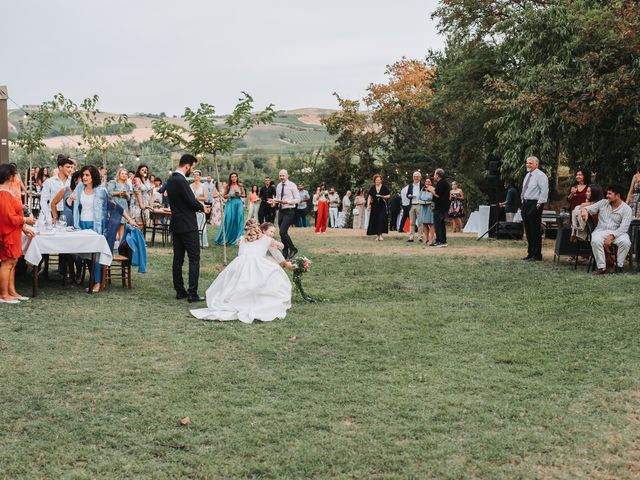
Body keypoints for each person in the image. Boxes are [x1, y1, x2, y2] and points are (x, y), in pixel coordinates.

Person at [190, 221, 294, 323]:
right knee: (274, 273)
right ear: (260, 230)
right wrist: (274, 242)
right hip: (256, 264)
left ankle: (237, 300)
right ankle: (256, 300)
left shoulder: (241, 239)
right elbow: (281, 246)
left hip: (239, 264)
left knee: (236, 282)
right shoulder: (267, 239)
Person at [72, 165, 137, 293]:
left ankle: (98, 282)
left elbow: (116, 207)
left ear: (93, 177)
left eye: (87, 175)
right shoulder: (79, 188)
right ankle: (94, 279)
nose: (84, 177)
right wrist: (70, 199)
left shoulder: (101, 191)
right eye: (83, 175)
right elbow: (72, 203)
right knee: (85, 255)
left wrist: (129, 219)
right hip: (81, 225)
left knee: (96, 255)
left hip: (96, 226)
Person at [165, 154, 210, 302]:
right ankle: (192, 293)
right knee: (194, 258)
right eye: (193, 167)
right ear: (187, 165)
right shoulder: (181, 180)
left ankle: (180, 291)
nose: (193, 170)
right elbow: (191, 201)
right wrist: (202, 207)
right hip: (188, 225)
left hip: (176, 224)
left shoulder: (171, 179)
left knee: (177, 259)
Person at [0, 163, 36, 304]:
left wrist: (23, 227)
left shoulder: (8, 192)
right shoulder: (3, 194)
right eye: (15, 174)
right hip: (7, 233)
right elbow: (8, 217)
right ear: (10, 177)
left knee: (13, 262)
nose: (17, 177)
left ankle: (12, 291)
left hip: (14, 231)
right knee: (7, 263)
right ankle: (4, 294)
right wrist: (26, 219)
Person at [582, 184, 633, 275]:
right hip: (601, 230)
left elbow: (624, 227)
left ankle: (618, 266)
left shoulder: (627, 209)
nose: (607, 196)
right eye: (607, 194)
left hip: (618, 232)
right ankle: (601, 267)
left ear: (617, 195)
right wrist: (585, 211)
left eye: (609, 194)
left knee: (626, 242)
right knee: (595, 240)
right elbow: (587, 208)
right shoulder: (603, 202)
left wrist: (612, 236)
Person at [520, 157, 549, 261]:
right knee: (528, 229)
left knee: (535, 229)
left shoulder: (541, 175)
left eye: (531, 163)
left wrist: (539, 205)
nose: (528, 165)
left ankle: (537, 254)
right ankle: (530, 252)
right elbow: (525, 189)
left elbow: (544, 191)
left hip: (535, 204)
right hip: (526, 203)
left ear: (536, 164)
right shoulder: (527, 175)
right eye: (527, 163)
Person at [269, 169, 300, 258]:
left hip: (289, 210)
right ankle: (285, 250)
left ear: (287, 176)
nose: (281, 177)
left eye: (283, 175)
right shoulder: (278, 185)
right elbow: (278, 198)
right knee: (282, 232)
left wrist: (288, 202)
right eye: (280, 176)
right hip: (281, 211)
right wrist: (273, 201)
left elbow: (298, 199)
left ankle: (293, 249)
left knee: (283, 231)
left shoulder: (292, 185)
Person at [40, 154, 73, 222]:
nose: (70, 169)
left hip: (68, 213)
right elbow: (43, 200)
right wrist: (48, 216)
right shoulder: (49, 182)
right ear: (60, 167)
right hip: (53, 213)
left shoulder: (72, 182)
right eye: (68, 167)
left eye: (71, 167)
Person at [215, 172, 245, 245]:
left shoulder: (240, 185)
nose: (234, 178)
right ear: (230, 178)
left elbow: (244, 195)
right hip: (230, 204)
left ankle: (237, 238)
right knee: (228, 220)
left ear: (237, 178)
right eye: (232, 177)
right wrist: (231, 195)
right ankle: (226, 238)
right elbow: (224, 196)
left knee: (238, 220)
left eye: (235, 176)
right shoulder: (228, 186)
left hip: (238, 204)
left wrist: (239, 195)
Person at [107, 168, 133, 240]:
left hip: (124, 206)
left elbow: (128, 198)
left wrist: (125, 194)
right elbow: (109, 193)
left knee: (122, 224)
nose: (124, 175)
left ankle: (120, 243)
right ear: (119, 174)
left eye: (125, 174)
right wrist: (119, 193)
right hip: (115, 205)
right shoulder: (113, 182)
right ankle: (111, 241)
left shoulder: (127, 186)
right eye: (122, 173)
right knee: (114, 224)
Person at [366, 174, 391, 241]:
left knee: (381, 219)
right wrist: (368, 205)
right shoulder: (372, 188)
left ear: (381, 180)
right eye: (376, 180)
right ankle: (377, 235)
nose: (378, 181)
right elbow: (369, 197)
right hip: (374, 206)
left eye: (379, 180)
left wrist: (382, 196)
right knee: (375, 220)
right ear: (374, 181)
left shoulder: (384, 187)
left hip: (382, 205)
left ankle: (381, 235)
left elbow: (389, 195)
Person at [432, 168, 451, 247]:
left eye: (434, 174)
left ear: (437, 175)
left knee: (438, 224)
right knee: (441, 224)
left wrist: (431, 190)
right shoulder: (444, 183)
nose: (434, 176)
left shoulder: (441, 183)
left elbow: (437, 195)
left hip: (440, 207)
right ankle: (443, 240)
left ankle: (439, 241)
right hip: (443, 206)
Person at [191, 170, 210, 247]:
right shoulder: (190, 186)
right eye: (195, 175)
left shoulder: (203, 186)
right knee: (192, 224)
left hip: (200, 206)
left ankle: (202, 242)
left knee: (201, 224)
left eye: (197, 175)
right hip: (191, 207)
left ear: (200, 176)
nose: (196, 176)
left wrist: (195, 198)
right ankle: (192, 242)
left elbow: (205, 198)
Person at [406, 172, 424, 242]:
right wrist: (409, 196)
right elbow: (407, 194)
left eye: (417, 176)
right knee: (411, 222)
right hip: (412, 205)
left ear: (420, 177)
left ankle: (420, 237)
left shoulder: (422, 185)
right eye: (414, 176)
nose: (415, 178)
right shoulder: (410, 185)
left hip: (420, 205)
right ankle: (411, 237)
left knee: (420, 222)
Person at [419, 177, 436, 245]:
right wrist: (422, 202)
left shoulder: (433, 189)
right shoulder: (422, 190)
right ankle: (426, 238)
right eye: (426, 181)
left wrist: (429, 202)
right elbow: (419, 198)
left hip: (430, 208)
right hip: (423, 207)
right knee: (424, 223)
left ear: (431, 183)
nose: (427, 183)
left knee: (431, 223)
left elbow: (435, 198)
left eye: (429, 181)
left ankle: (431, 239)